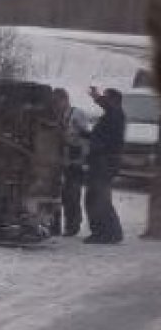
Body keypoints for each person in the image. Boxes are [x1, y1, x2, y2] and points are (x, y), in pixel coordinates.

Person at [82, 87, 127, 244]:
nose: (104, 101)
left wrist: (97, 97)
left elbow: (105, 141)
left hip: (104, 163)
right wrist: (84, 134)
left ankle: (107, 233)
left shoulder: (116, 115)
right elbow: (100, 136)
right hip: (100, 161)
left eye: (107, 98)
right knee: (95, 198)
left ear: (114, 101)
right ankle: (105, 232)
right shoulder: (111, 116)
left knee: (98, 198)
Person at [53, 89, 90, 237]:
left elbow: (85, 139)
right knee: (57, 195)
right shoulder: (54, 115)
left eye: (58, 101)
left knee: (72, 195)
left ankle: (73, 225)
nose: (56, 105)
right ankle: (54, 226)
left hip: (75, 161)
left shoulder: (77, 114)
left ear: (65, 100)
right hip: (59, 160)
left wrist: (82, 159)